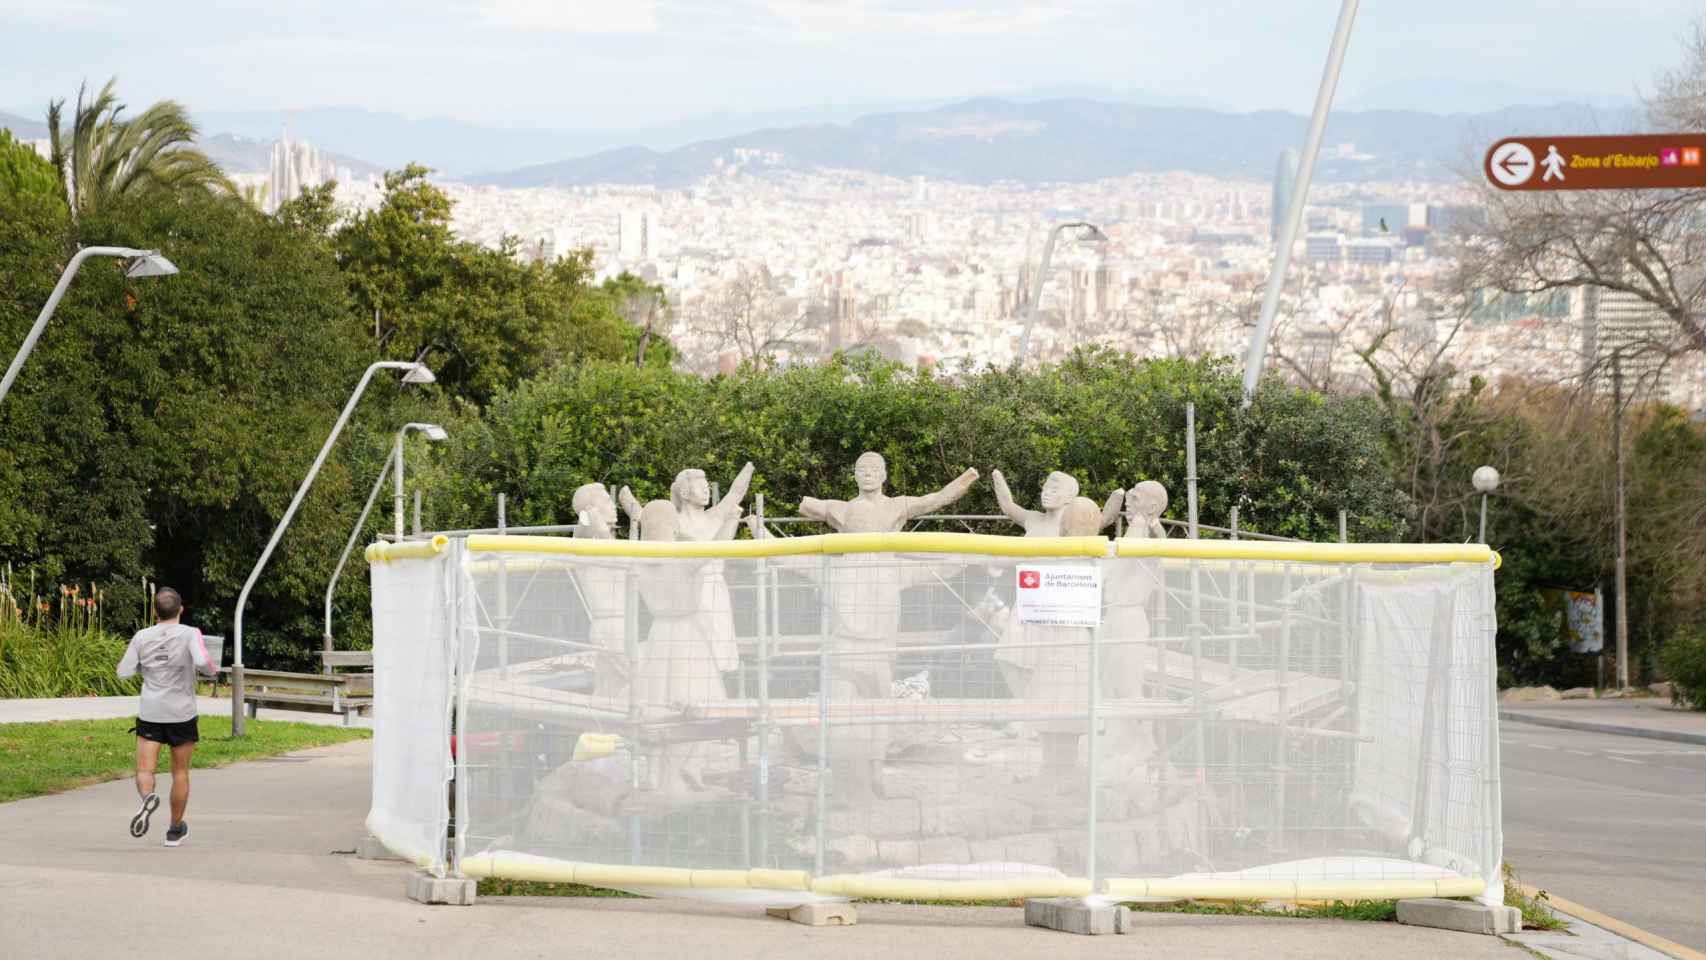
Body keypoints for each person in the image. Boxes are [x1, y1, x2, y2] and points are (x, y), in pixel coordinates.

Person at [117, 587, 217, 846]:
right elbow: (203, 662)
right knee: (180, 772)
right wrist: (210, 671)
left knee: (145, 769)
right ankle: (174, 830)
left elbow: (123, 671)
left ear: (154, 611)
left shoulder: (141, 636)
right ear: (181, 609)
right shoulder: (190, 634)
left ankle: (148, 797)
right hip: (182, 713)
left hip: (151, 712)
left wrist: (145, 666)